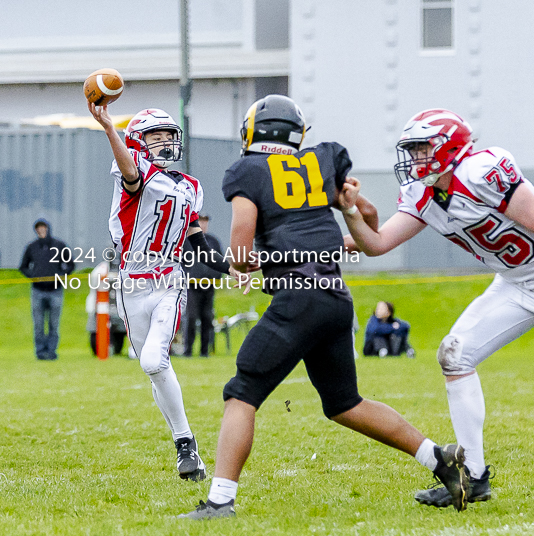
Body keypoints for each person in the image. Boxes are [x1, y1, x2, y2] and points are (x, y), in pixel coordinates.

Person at [180, 96, 470, 519]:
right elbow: (370, 218)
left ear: (251, 132)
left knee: (241, 393)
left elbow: (240, 250)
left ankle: (220, 501)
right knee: (344, 403)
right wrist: (339, 222)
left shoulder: (247, 170)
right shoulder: (318, 164)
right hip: (335, 297)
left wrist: (251, 261)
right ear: (296, 134)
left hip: (298, 298)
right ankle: (437, 458)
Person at [342, 108, 534, 508]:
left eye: (423, 149)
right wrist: (350, 211)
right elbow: (378, 243)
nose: (416, 159)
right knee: (455, 354)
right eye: (413, 150)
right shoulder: (425, 195)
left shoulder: (482, 172)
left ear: (450, 148)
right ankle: (473, 476)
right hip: (515, 281)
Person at [88, 102, 233, 482]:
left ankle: (185, 445)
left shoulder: (191, 187)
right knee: (152, 369)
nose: (166, 142)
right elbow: (131, 174)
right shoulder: (135, 172)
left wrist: (231, 268)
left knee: (154, 360)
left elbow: (198, 243)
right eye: (157, 135)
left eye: (170, 135)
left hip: (169, 279)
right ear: (138, 141)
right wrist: (109, 129)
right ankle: (189, 451)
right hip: (132, 284)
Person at [19, 218, 75, 360]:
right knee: (38, 324)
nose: (41, 231)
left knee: (53, 324)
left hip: (55, 290)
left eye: (43, 228)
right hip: (38, 290)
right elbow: (23, 267)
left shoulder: (59, 245)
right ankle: (40, 351)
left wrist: (61, 276)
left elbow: (70, 264)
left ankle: (51, 351)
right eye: (39, 229)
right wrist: (34, 276)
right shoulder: (32, 247)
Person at [182, 214, 223, 357]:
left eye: (205, 222)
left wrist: (217, 276)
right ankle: (188, 351)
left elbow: (220, 260)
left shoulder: (213, 242)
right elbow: (180, 261)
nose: (203, 224)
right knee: (191, 318)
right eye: (200, 221)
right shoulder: (187, 241)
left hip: (209, 286)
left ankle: (204, 351)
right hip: (192, 286)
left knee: (207, 319)